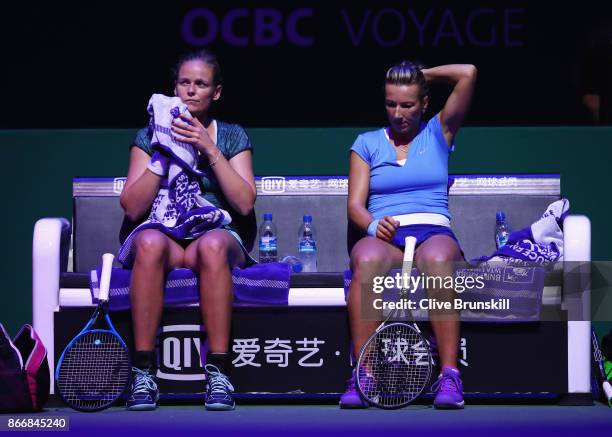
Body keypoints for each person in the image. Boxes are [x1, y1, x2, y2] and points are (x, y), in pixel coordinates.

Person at [119, 49, 256, 411]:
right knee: (147, 242)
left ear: (216, 92)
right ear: (174, 86)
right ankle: (144, 372)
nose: (191, 91)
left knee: (211, 248)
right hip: (164, 233)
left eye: (201, 84)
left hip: (212, 234)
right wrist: (164, 153)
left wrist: (208, 149)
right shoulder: (148, 134)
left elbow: (243, 202)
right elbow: (133, 207)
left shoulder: (230, 135)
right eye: (184, 82)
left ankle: (219, 373)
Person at [341, 61, 477, 409]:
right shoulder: (367, 143)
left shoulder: (439, 131)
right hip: (387, 236)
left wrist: (422, 74)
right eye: (391, 104)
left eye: (408, 104)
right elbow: (355, 205)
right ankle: (362, 375)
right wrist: (373, 225)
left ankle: (449, 376)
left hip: (433, 231)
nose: (398, 112)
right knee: (366, 258)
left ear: (425, 104)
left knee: (436, 259)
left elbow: (469, 73)